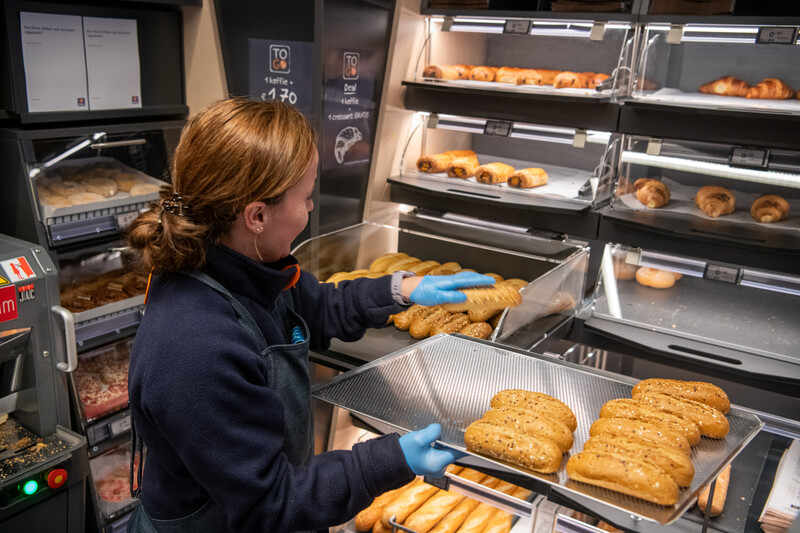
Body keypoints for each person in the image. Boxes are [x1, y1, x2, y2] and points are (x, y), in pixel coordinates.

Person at [125, 98, 495, 533]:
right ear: (257, 216)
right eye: (306, 197)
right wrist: (389, 460)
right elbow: (271, 505)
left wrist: (401, 289)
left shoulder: (246, 265)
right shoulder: (195, 348)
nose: (312, 207)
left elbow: (316, 307)